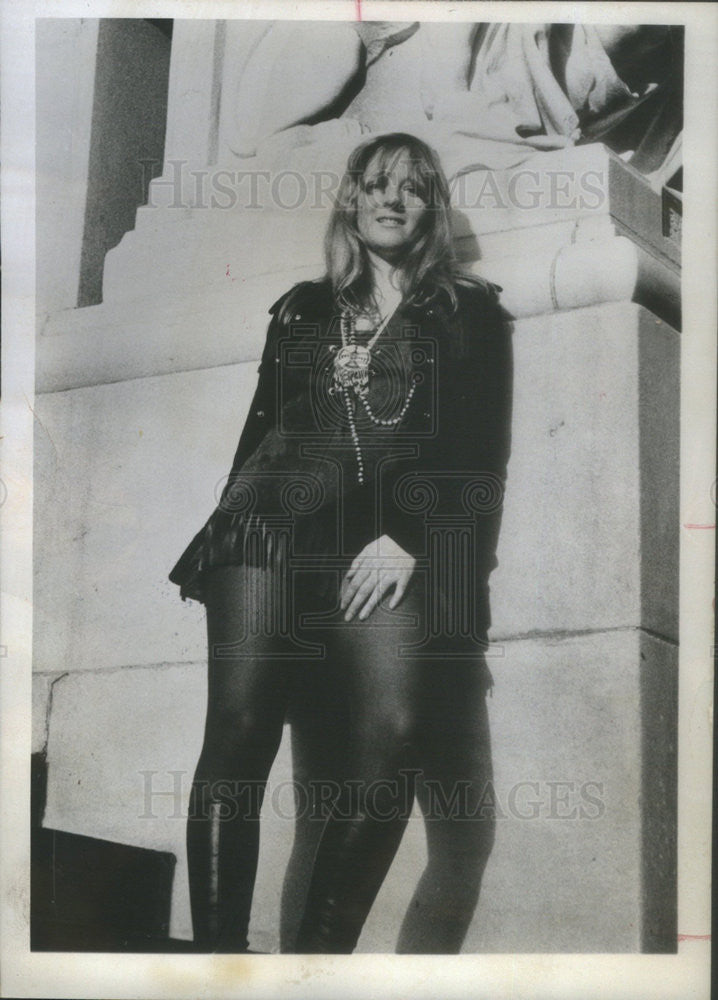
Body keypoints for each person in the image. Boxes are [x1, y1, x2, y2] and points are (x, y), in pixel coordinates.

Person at [169, 132, 512, 953]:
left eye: (413, 189)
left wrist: (417, 541)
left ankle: (316, 969)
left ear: (431, 209)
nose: (392, 200)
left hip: (384, 541)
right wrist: (231, 531)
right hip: (270, 523)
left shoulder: (468, 313)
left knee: (394, 735)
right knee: (241, 727)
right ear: (352, 201)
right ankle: (221, 964)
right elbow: (262, 432)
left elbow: (480, 453)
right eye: (376, 185)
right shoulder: (304, 306)